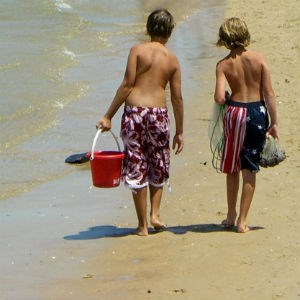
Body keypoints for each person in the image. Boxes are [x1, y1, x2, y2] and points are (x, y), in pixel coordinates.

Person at [97, 9, 184, 236]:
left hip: (135, 113)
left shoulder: (137, 51)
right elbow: (177, 98)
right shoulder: (172, 59)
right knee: (158, 161)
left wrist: (108, 115)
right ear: (170, 31)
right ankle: (155, 214)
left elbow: (127, 85)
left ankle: (142, 225)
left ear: (148, 28)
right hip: (158, 115)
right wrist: (180, 131)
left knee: (136, 163)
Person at [214, 17, 279, 233]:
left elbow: (219, 98)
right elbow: (269, 93)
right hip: (256, 112)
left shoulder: (223, 64)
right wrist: (274, 122)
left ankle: (230, 215)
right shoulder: (259, 59)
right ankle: (242, 221)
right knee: (249, 166)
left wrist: (225, 95)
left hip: (234, 112)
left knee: (232, 166)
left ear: (225, 38)